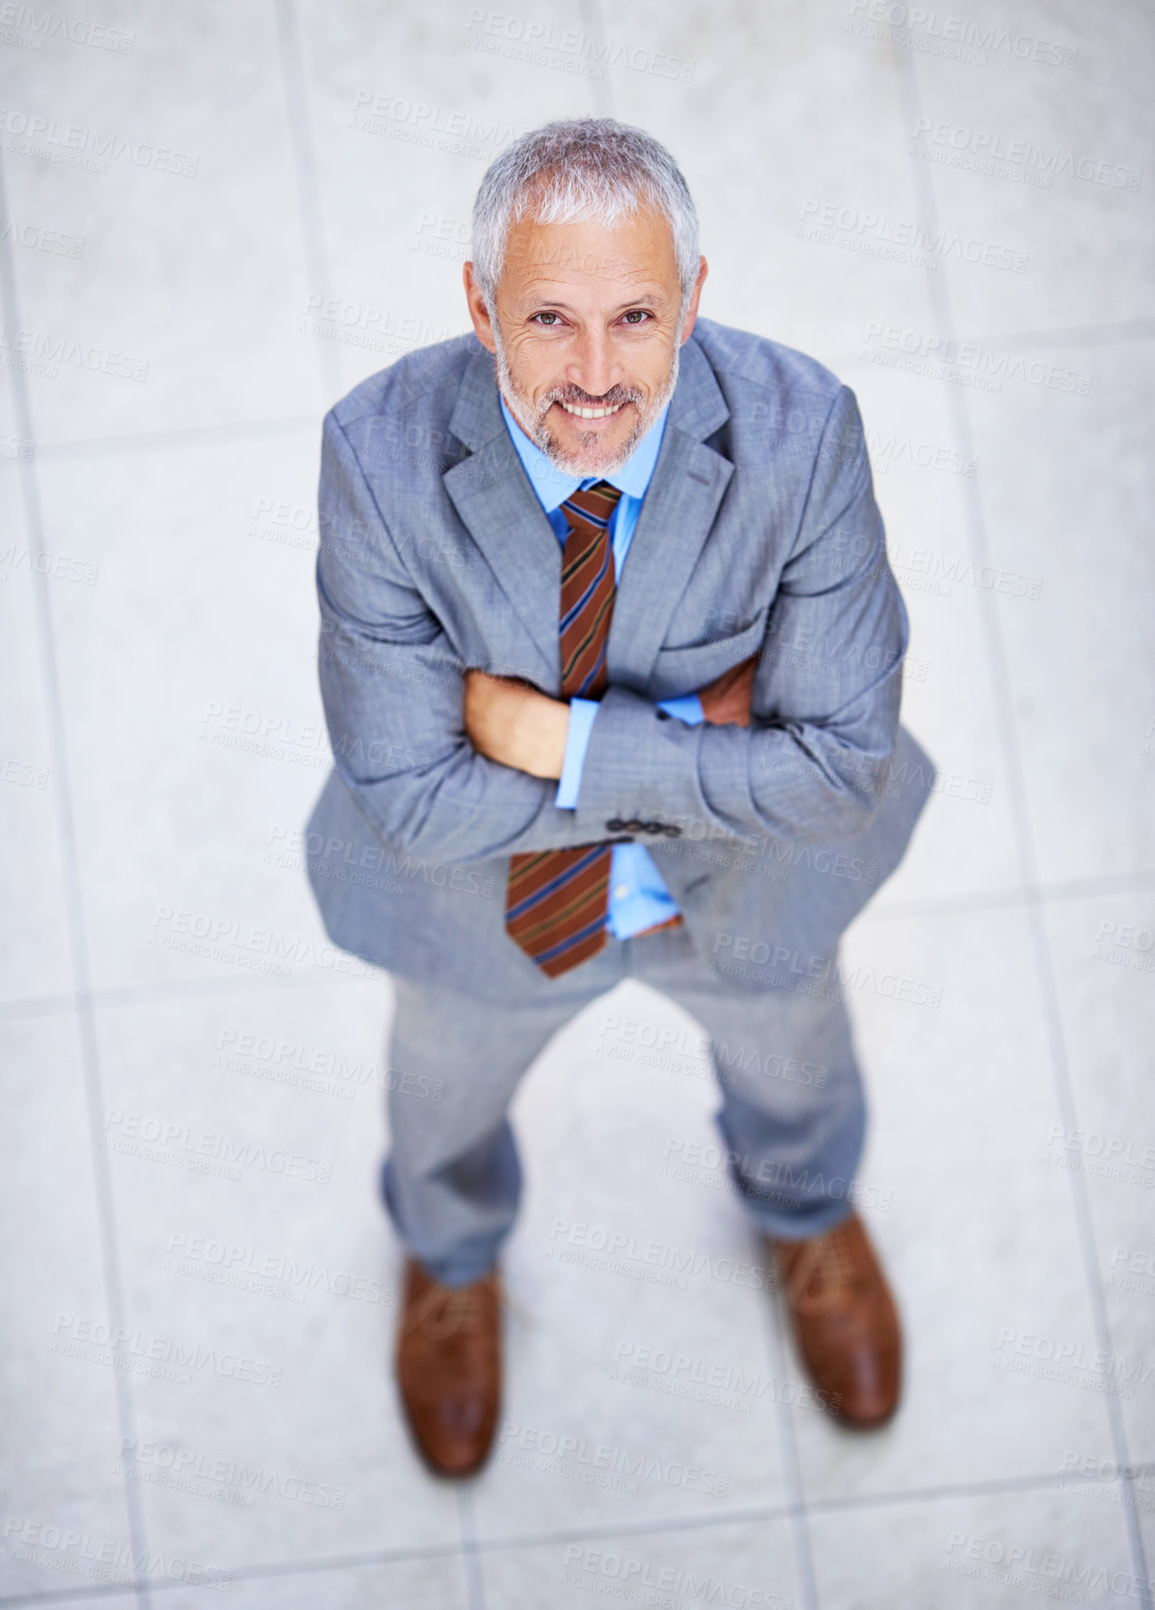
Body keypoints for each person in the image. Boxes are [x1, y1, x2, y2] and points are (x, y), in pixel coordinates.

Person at [306, 118, 933, 1477]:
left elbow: (837, 770)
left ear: (696, 299)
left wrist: (552, 744)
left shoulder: (804, 431)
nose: (595, 379)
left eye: (638, 316)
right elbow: (414, 804)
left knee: (801, 1071)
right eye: (547, 318)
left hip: (741, 893)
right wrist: (712, 742)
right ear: (479, 307)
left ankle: (804, 1211)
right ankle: (453, 1257)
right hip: (490, 908)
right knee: (440, 1109)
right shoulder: (376, 455)